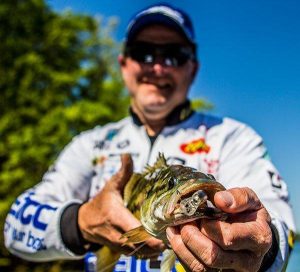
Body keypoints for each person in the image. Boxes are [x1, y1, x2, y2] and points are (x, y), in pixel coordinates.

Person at [4, 3, 295, 272]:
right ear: (124, 65)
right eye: (143, 52)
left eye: (174, 55)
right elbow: (13, 229)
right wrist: (80, 223)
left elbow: (282, 226)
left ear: (192, 69)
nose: (157, 67)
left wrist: (263, 248)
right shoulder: (90, 144)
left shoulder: (233, 137)